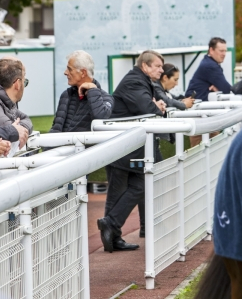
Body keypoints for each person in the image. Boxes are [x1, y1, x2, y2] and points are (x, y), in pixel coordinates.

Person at [98, 50, 167, 253]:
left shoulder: (140, 80)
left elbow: (148, 106)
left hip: (126, 146)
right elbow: (147, 108)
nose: (162, 70)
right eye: (158, 66)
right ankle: (112, 229)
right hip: (123, 146)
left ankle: (112, 230)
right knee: (127, 189)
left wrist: (157, 105)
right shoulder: (135, 81)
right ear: (145, 66)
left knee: (133, 187)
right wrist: (157, 107)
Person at [50, 50, 113, 132]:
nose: (65, 72)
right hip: (60, 144)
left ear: (83, 73)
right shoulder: (66, 95)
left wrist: (92, 90)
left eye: (69, 69)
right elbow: (56, 127)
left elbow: (101, 118)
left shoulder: (106, 98)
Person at [185, 37, 242, 101]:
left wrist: (218, 90)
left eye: (225, 51)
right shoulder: (210, 66)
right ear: (211, 50)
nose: (224, 54)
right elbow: (230, 91)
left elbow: (226, 89)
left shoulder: (208, 62)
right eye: (221, 51)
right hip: (196, 106)